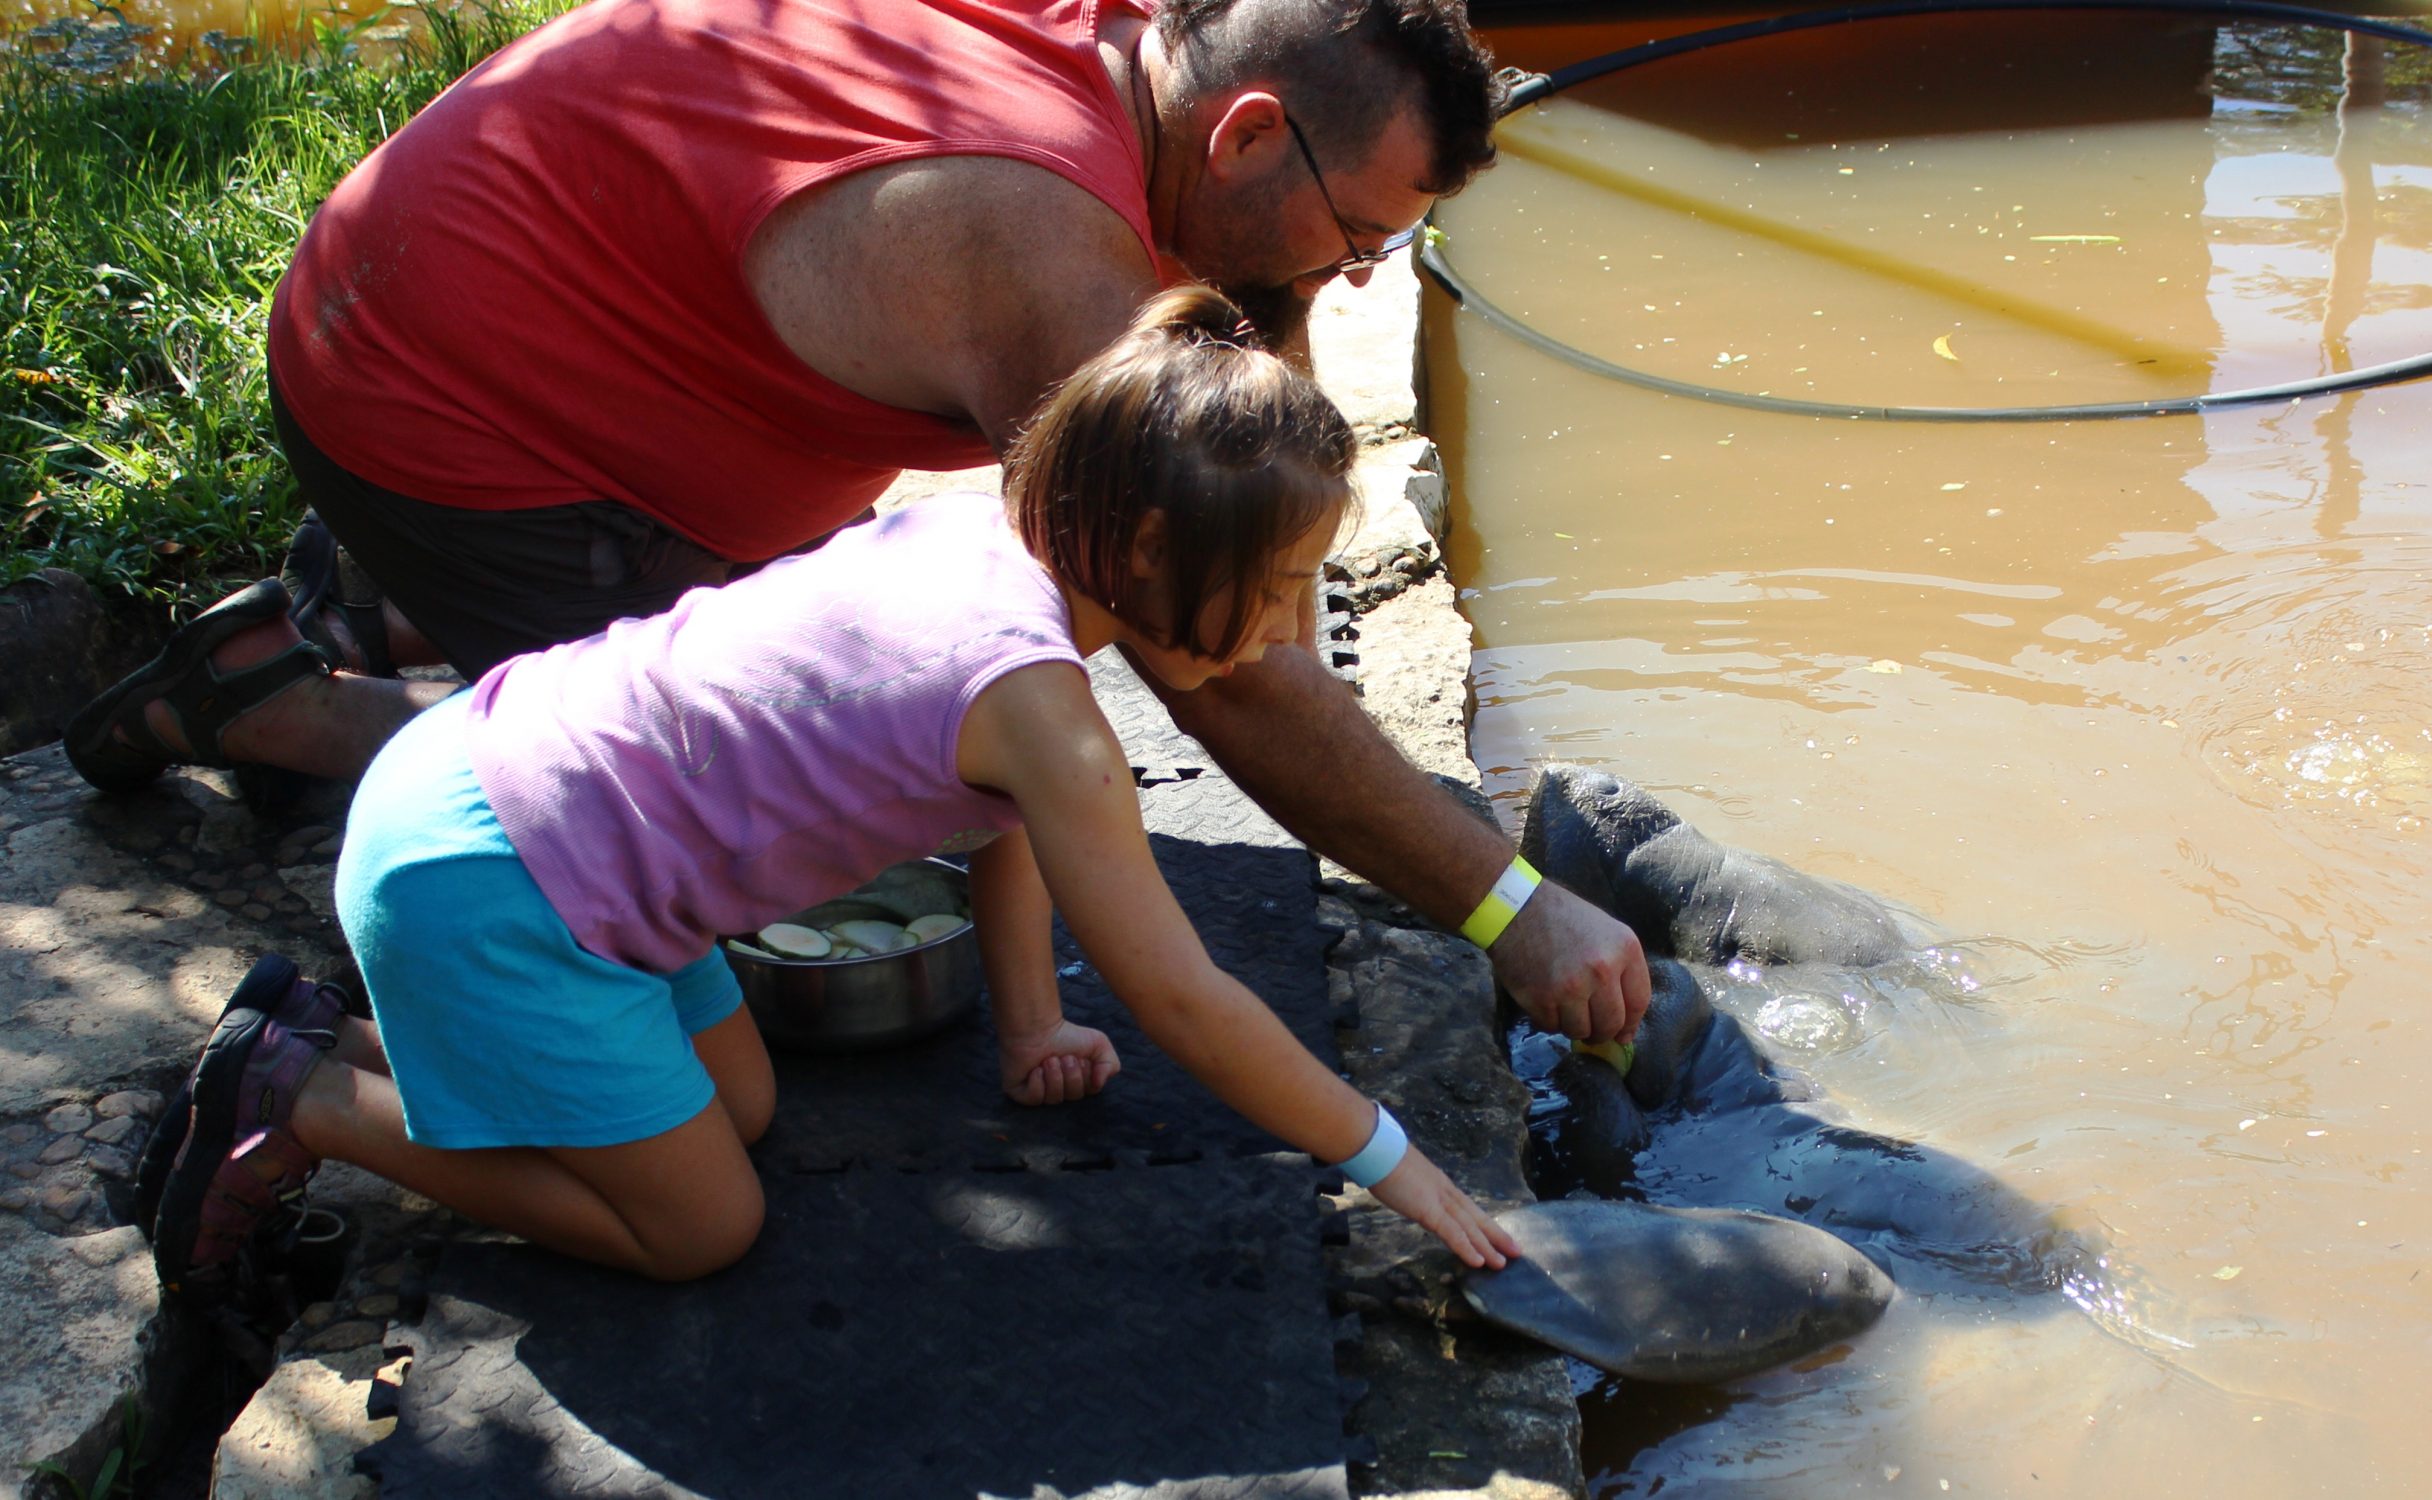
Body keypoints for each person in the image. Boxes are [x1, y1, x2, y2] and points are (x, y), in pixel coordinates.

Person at [68, 0, 1650, 1043]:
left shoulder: (1117, 52)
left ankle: (386, 600)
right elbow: (1220, 663)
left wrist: (1291, 267)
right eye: (1357, 235)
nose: (1362, 277)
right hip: (426, 392)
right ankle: (301, 704)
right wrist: (1505, 904)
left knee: (844, 653)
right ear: (1242, 132)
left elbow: (1254, 422)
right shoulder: (1040, 241)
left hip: (495, 315)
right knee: (778, 803)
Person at [141, 288, 1522, 1296]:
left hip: (497, 797)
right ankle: (307, 1096)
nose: (1291, 633)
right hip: (494, 886)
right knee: (701, 1231)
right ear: (1152, 543)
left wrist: (1030, 1023)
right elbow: (1181, 997)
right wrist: (1388, 1156)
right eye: (1280, 589)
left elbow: (1002, 820)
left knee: (734, 1110)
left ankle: (341, 1037)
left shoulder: (989, 534)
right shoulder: (1051, 715)